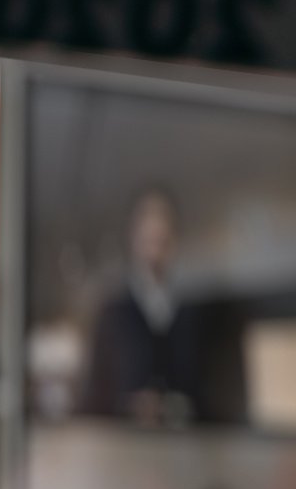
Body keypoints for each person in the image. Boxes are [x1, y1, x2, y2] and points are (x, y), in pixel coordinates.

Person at [75, 182, 242, 425]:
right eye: (148, 230)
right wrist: (129, 406)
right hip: (124, 450)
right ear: (133, 236)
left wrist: (178, 407)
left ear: (173, 238)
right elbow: (93, 399)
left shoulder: (194, 315)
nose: (156, 234)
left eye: (163, 229)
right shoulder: (111, 314)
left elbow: (213, 399)